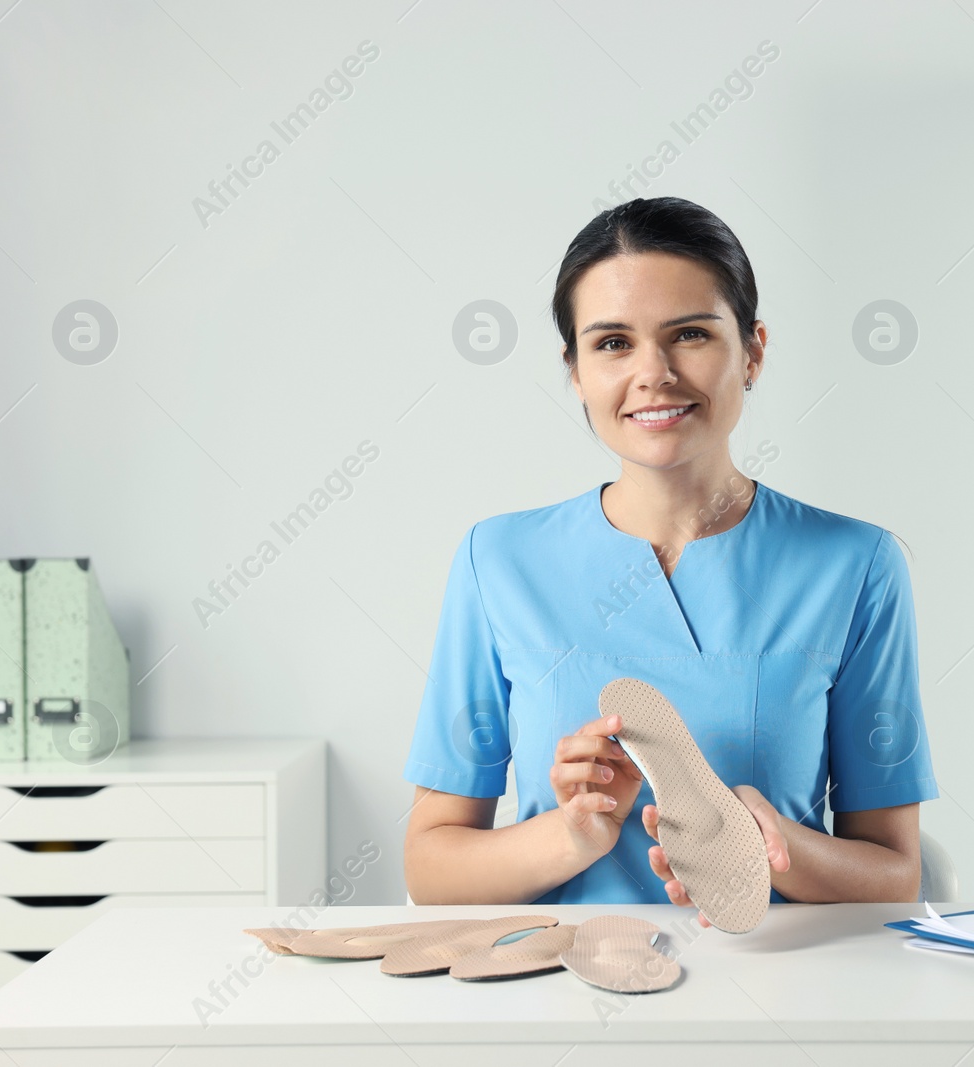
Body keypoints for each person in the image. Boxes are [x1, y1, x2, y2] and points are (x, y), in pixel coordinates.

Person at [402, 196, 938, 925]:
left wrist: (779, 849)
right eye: (612, 343)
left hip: (780, 983)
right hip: (560, 990)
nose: (652, 373)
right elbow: (431, 867)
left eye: (688, 334)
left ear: (752, 350)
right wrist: (571, 834)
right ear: (575, 371)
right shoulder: (497, 562)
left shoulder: (855, 565)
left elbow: (895, 873)